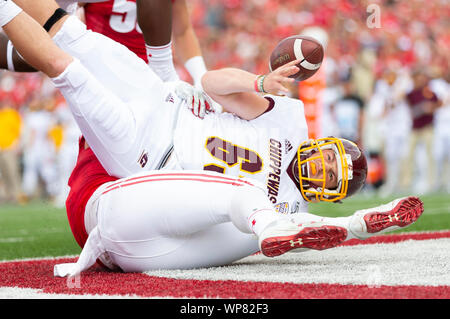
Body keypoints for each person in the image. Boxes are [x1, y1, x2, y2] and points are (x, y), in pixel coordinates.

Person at [1, 1, 424, 276]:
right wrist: (260, 80)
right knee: (67, 31)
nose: (322, 168)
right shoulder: (289, 121)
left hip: (148, 160)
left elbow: (308, 229)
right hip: (163, 101)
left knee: (69, 72)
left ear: (327, 195)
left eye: (332, 177)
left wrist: (354, 226)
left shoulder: (293, 207)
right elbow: (212, 83)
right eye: (331, 159)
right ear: (323, 143)